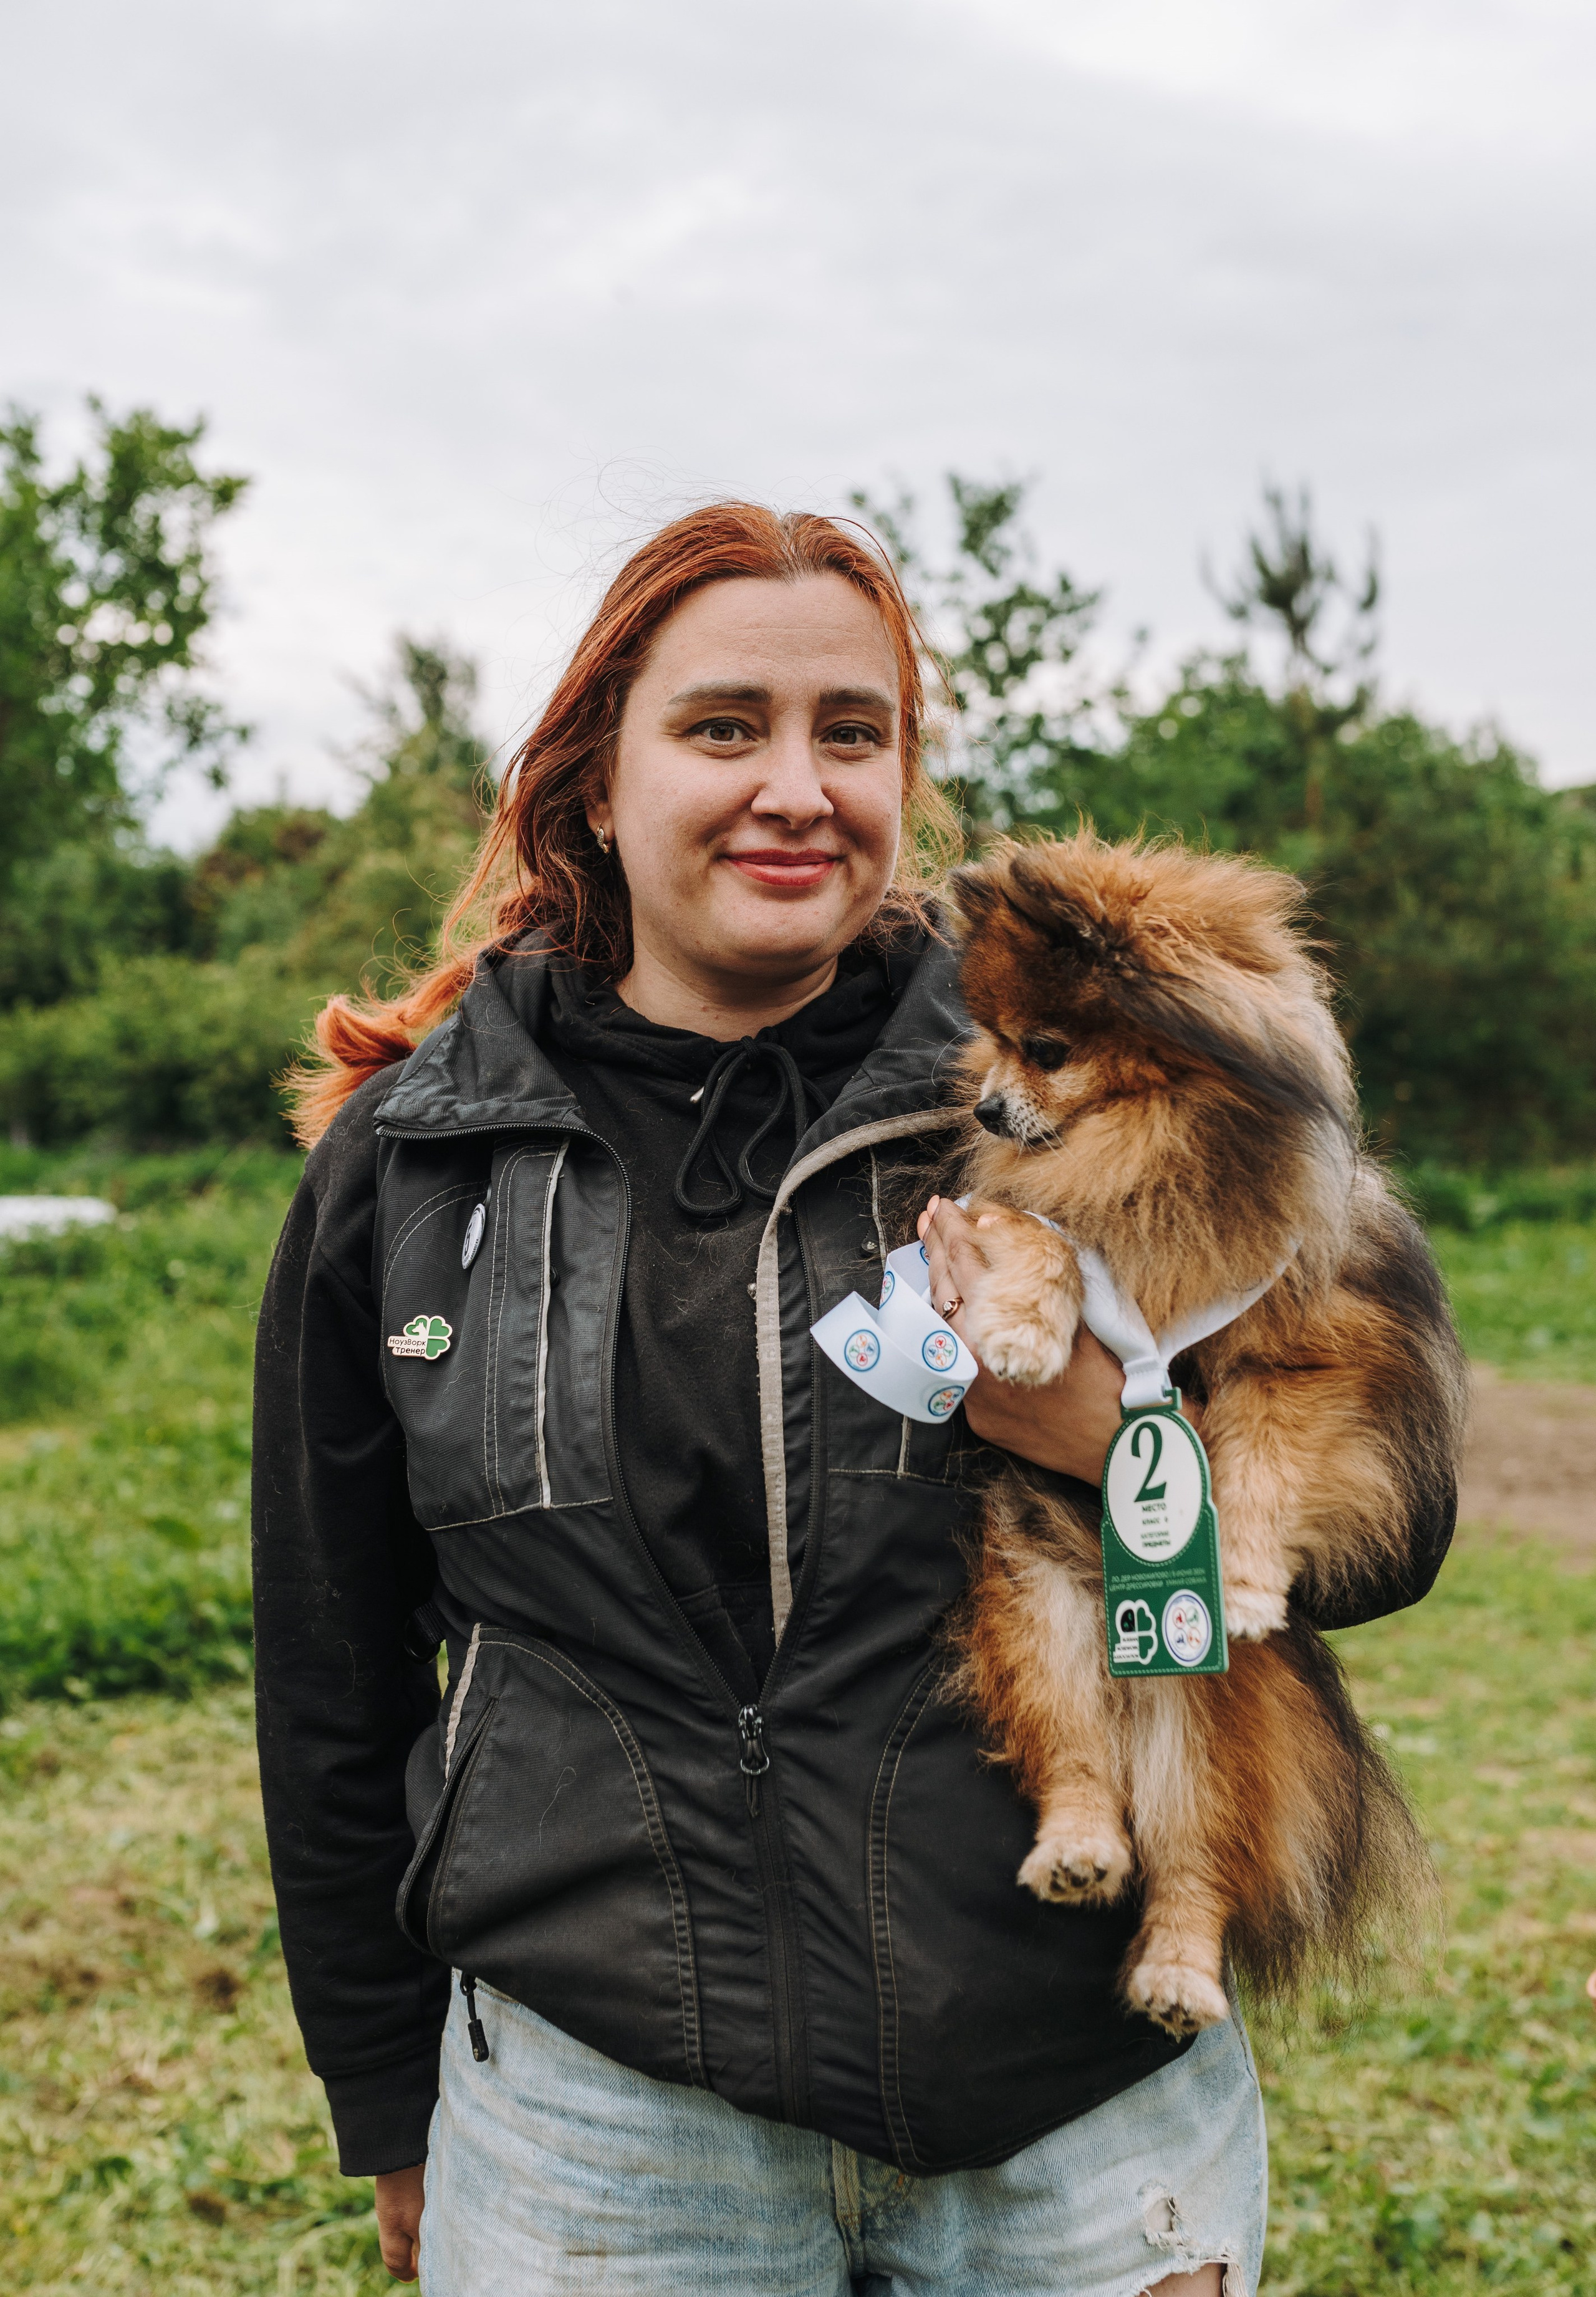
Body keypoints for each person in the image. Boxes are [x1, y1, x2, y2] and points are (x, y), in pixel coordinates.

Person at [252, 505, 1459, 2294]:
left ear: (907, 776)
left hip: (1069, 2104)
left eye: (852, 731)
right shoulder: (418, 1157)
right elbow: (332, 1661)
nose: (795, 786)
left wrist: (1125, 1435)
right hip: (603, 2121)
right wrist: (381, 2086)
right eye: (723, 725)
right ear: (596, 777)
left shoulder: (1105, 1092)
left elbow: (1391, 1522)